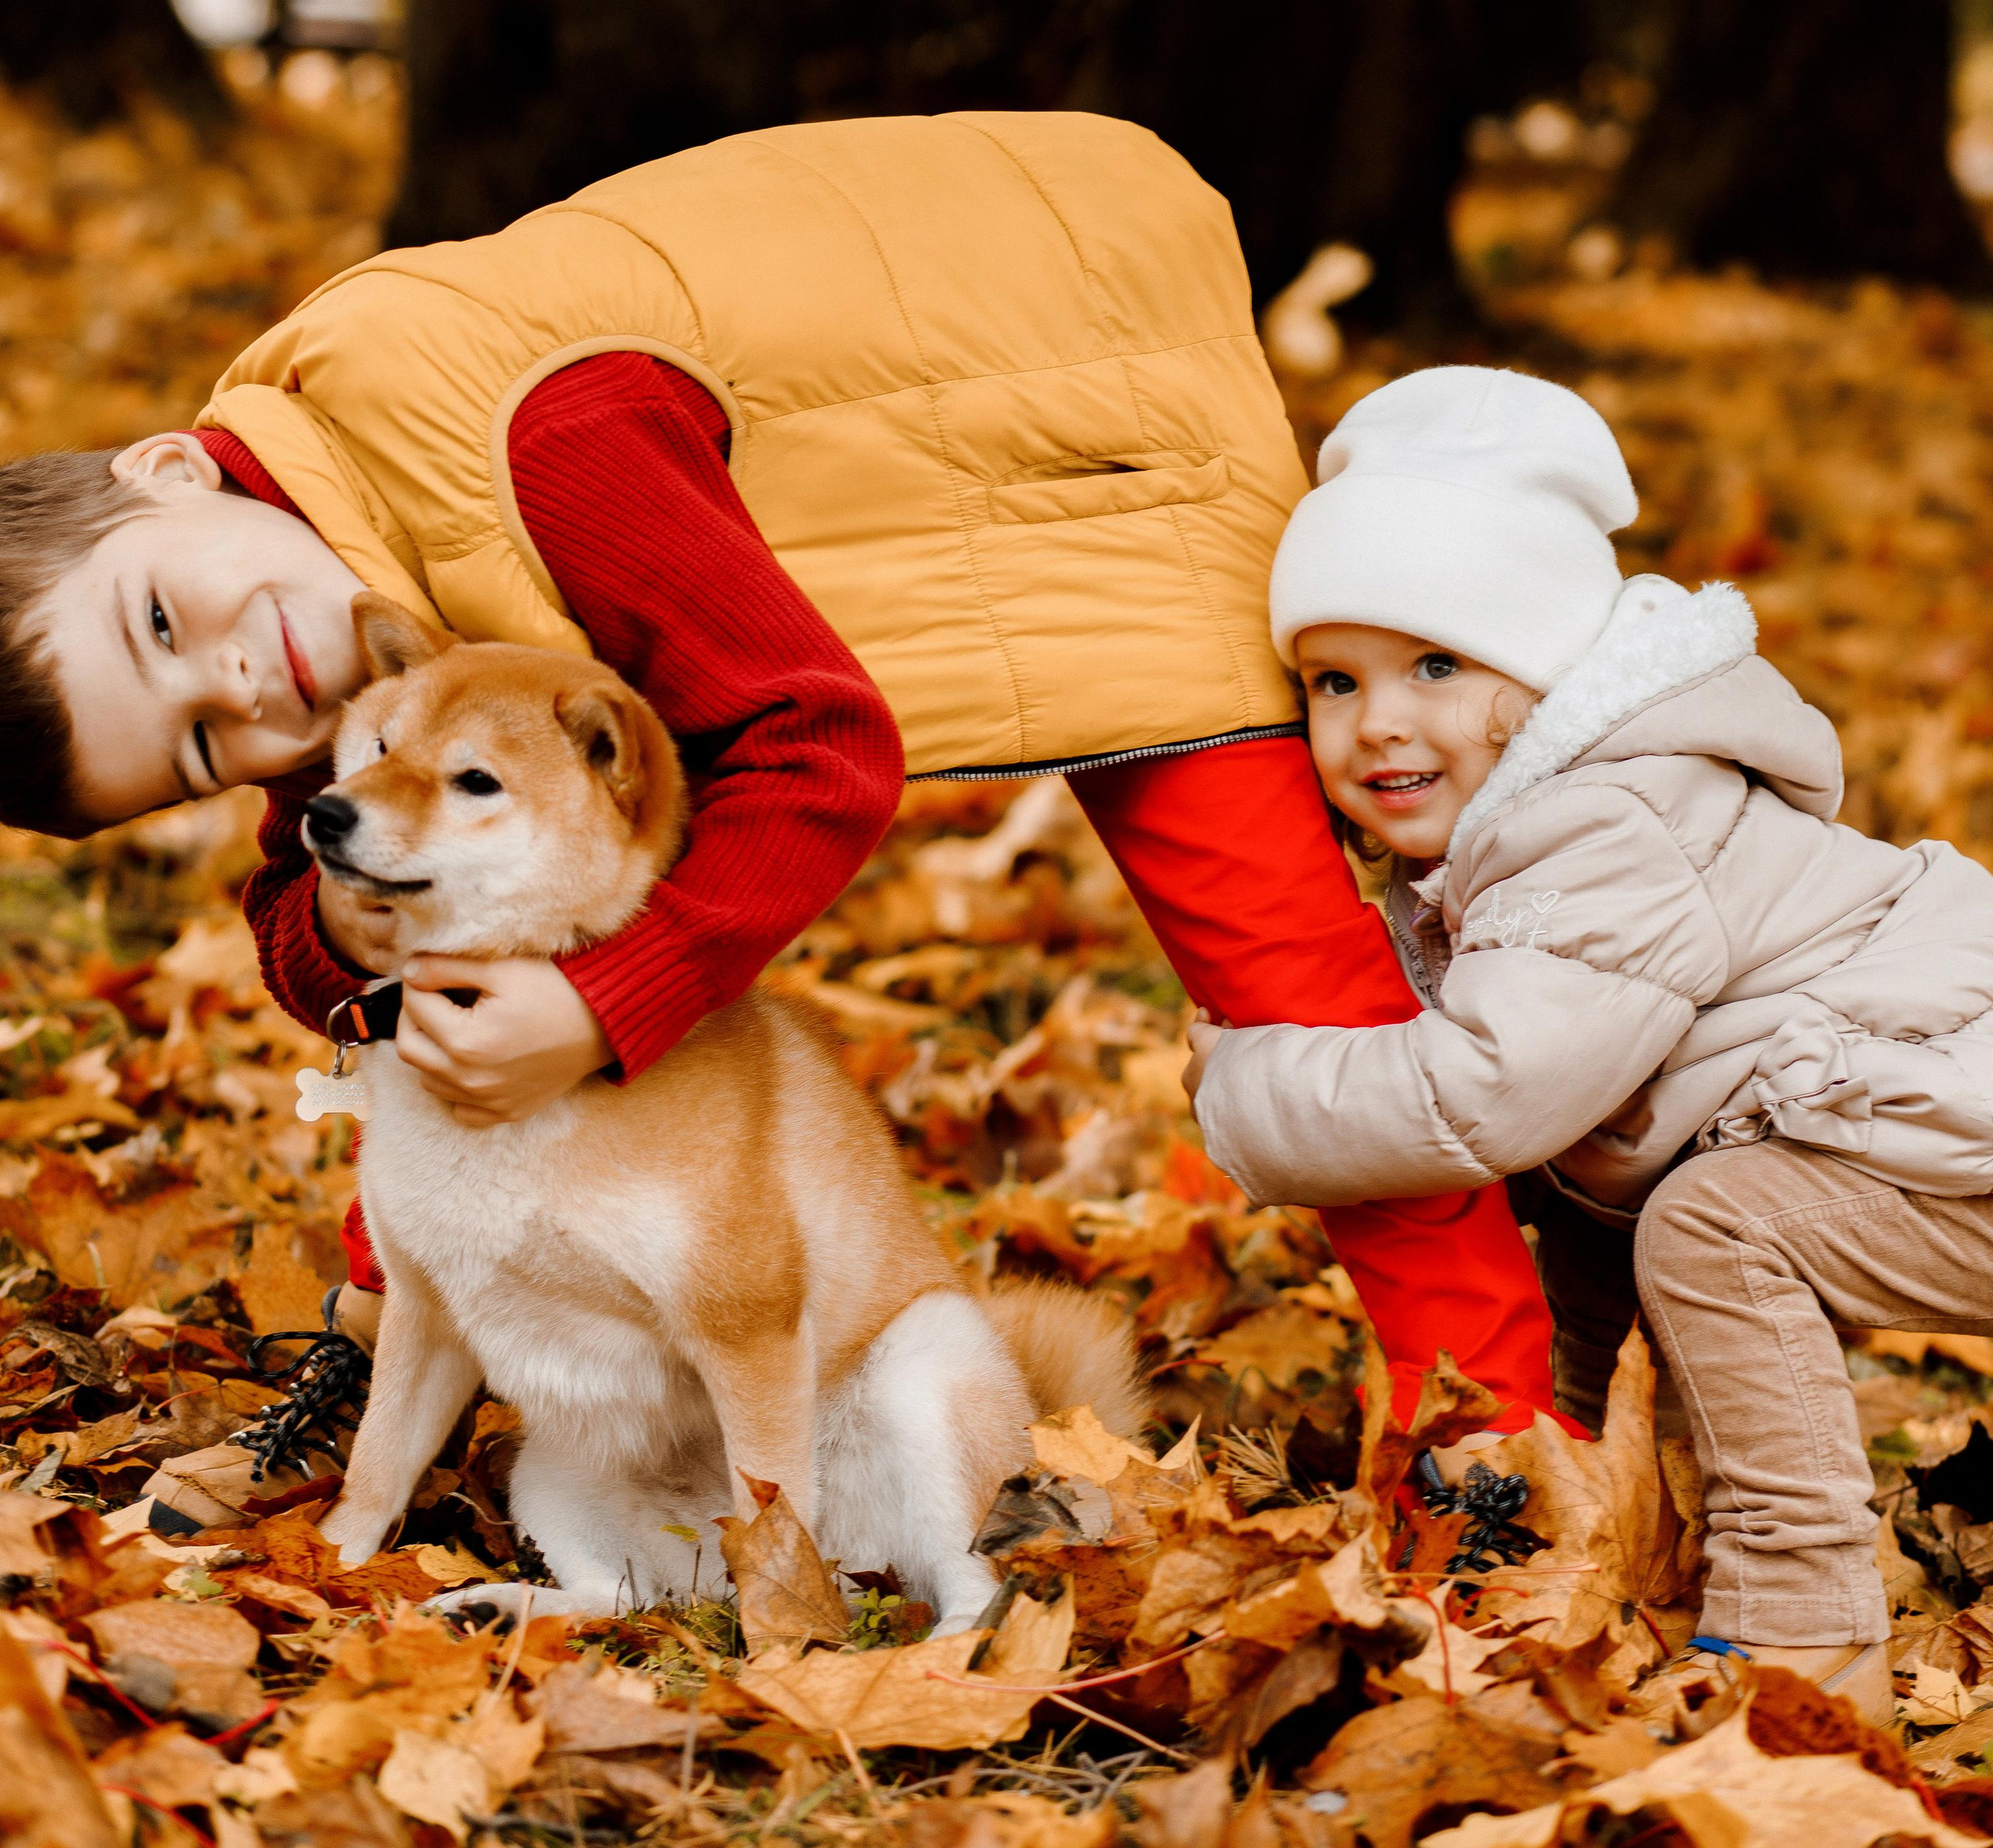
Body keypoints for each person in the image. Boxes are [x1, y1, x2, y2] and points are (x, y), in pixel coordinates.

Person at [0, 112, 1554, 1422]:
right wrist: (349, 937)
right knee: (464, 887)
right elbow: (316, 900)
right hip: (857, 469)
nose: (238, 688)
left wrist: (606, 1008)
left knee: (1290, 985)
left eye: (155, 622)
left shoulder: (528, 443)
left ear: (167, 471)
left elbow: (819, 748)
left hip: (1084, 425)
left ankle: (1490, 1427)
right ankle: (394, 1329)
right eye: (204, 748)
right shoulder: (301, 588)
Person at [1186, 361, 1993, 1720]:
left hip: (1960, 1126)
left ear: (1548, 674)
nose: (1379, 718)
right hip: (1911, 1129)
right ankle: (1577, 1477)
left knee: (1716, 1226)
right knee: (1607, 1194)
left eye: (1436, 662)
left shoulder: (1609, 826)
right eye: (1334, 679)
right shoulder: (1518, 837)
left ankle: (1804, 1627)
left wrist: (1251, 1083)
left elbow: (1486, 1096)